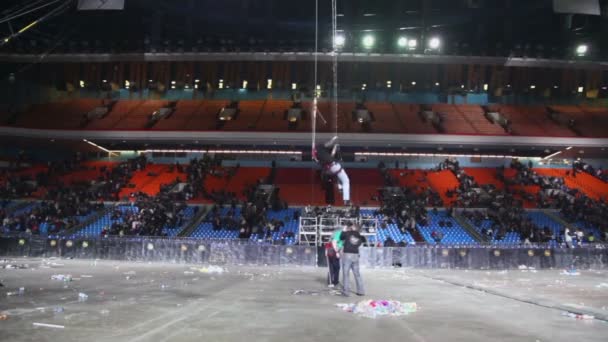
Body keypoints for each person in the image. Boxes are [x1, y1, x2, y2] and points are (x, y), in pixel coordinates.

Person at [313, 136, 351, 206]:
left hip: (328, 169)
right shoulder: (320, 147)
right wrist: (333, 139)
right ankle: (346, 199)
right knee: (346, 180)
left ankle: (340, 187)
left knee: (339, 174)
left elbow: (331, 155)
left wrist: (335, 147)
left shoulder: (317, 155)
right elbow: (329, 144)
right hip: (333, 165)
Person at [339, 224, 366, 297]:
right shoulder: (360, 236)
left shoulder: (348, 233)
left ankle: (346, 292)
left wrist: (344, 230)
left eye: (352, 226)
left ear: (354, 228)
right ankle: (361, 291)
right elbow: (360, 243)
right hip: (356, 255)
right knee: (357, 274)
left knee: (346, 273)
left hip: (348, 254)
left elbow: (341, 237)